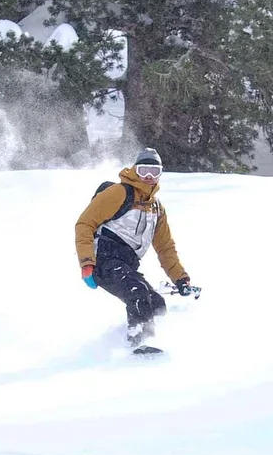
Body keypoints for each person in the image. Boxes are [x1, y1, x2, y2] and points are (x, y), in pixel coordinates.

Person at [74, 147, 194, 345]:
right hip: (103, 259)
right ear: (134, 170)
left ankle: (130, 342)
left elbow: (165, 248)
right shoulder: (119, 193)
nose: (148, 176)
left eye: (154, 172)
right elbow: (84, 224)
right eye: (143, 170)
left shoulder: (156, 209)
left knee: (157, 305)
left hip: (127, 264)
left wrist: (181, 279)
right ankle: (137, 344)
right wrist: (87, 263)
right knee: (137, 292)